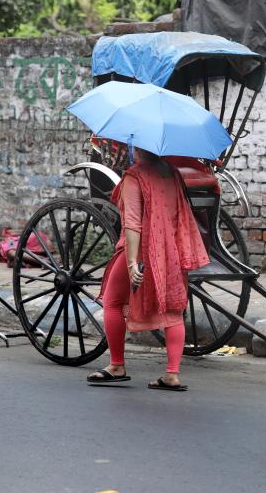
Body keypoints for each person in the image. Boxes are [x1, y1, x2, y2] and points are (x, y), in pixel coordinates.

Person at [87, 146, 209, 390]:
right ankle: (172, 374)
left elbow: (132, 224)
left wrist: (132, 262)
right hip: (170, 249)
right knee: (174, 310)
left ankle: (117, 365)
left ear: (137, 148)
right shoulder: (171, 172)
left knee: (112, 301)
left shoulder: (134, 176)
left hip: (141, 250)